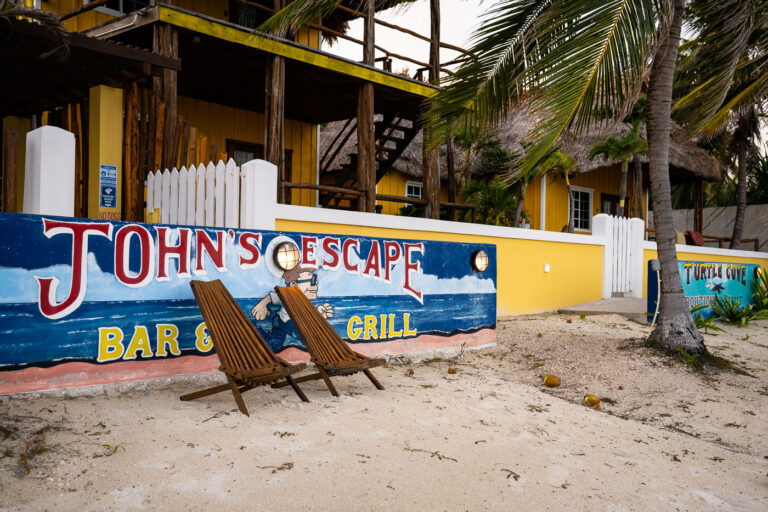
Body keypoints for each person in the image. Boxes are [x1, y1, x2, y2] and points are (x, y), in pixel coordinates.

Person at [251, 267, 333, 352]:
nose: (315, 284)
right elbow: (274, 296)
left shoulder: (304, 300)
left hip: (284, 322)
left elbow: (306, 316)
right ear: (294, 284)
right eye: (311, 281)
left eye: (315, 280)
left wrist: (319, 315)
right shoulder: (287, 295)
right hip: (286, 321)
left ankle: (254, 329)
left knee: (273, 344)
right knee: (308, 339)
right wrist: (262, 306)